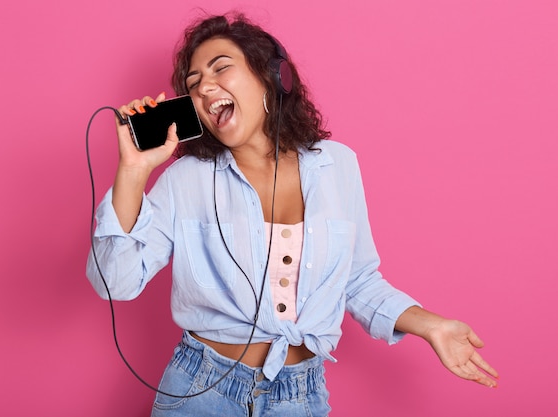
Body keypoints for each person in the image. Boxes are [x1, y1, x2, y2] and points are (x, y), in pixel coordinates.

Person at [87, 12, 499, 416]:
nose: (205, 89)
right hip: (199, 391)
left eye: (220, 69)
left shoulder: (337, 165)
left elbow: (355, 280)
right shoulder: (186, 179)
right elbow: (115, 283)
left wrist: (431, 325)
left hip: (299, 396)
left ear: (272, 76)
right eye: (193, 85)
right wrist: (133, 171)